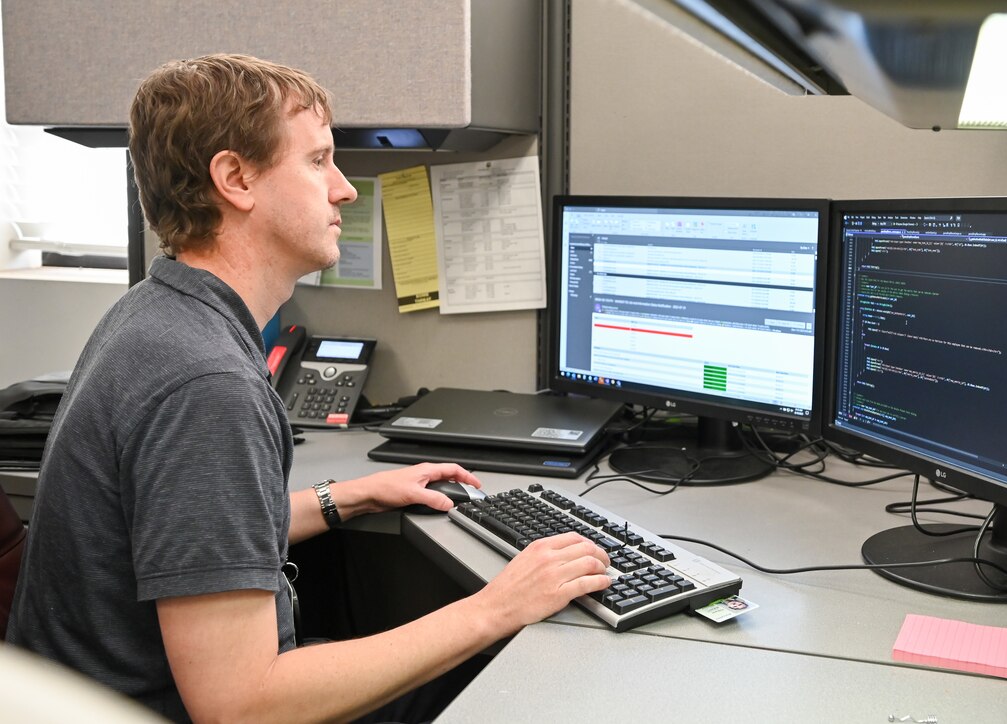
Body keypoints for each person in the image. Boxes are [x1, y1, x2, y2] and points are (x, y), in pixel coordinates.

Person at [6, 54, 612, 723]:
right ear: (235, 178)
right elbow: (240, 706)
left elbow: (191, 537)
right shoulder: (206, 384)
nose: (345, 189)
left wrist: (344, 496)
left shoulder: (156, 313)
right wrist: (497, 607)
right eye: (320, 161)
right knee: (529, 676)